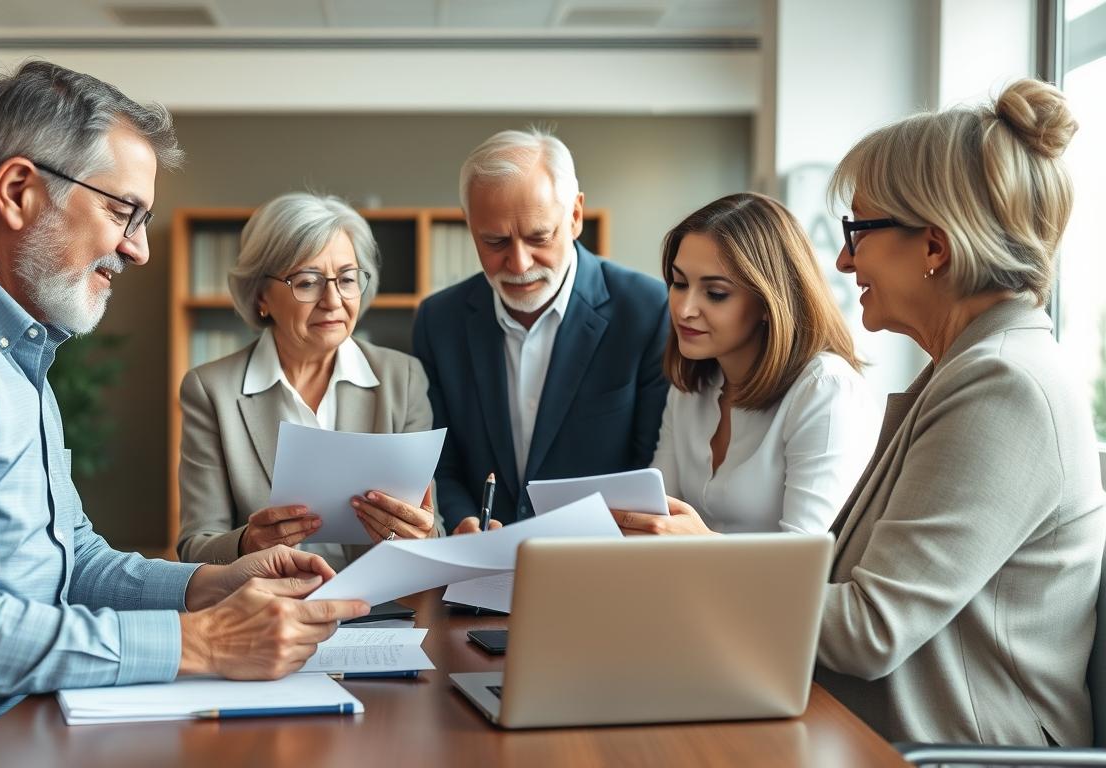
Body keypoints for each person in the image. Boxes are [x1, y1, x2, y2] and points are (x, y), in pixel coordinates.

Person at [0, 62, 367, 747]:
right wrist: (200, 642)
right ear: (19, 191)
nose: (137, 249)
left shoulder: (11, 348)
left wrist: (210, 585)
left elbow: (71, 564)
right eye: (123, 212)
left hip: (0, 726)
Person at [780, 78, 1098, 746]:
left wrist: (702, 572)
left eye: (858, 229)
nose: (843, 257)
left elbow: (870, 630)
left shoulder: (1004, 386)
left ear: (934, 246)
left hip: (953, 752)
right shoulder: (974, 367)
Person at [414, 128, 670, 534]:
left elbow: (652, 466)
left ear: (575, 216)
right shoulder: (438, 321)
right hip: (477, 572)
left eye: (539, 237)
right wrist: (466, 522)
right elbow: (440, 463)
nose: (518, 264)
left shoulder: (647, 310)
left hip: (601, 568)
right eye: (495, 241)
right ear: (469, 226)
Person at [178, 192, 441, 571]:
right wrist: (247, 542)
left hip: (384, 611)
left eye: (347, 279)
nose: (333, 300)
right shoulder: (211, 390)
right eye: (307, 282)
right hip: (270, 612)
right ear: (261, 295)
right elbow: (194, 548)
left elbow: (434, 530)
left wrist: (418, 534)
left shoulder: (404, 379)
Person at [613, 192, 878, 536]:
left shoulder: (826, 390)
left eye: (716, 293)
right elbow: (657, 514)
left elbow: (806, 565)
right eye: (679, 283)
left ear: (769, 304)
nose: (683, 309)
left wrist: (702, 547)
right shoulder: (692, 388)